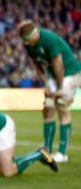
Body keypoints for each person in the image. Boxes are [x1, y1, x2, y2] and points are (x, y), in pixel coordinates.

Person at [18, 20, 79, 163]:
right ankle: (47, 148)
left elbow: (59, 65)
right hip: (53, 75)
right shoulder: (29, 45)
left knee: (62, 106)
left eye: (28, 40)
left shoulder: (49, 40)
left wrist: (58, 89)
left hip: (70, 73)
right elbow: (36, 64)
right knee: (48, 107)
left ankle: (62, 153)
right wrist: (46, 84)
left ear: (35, 35)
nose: (27, 44)